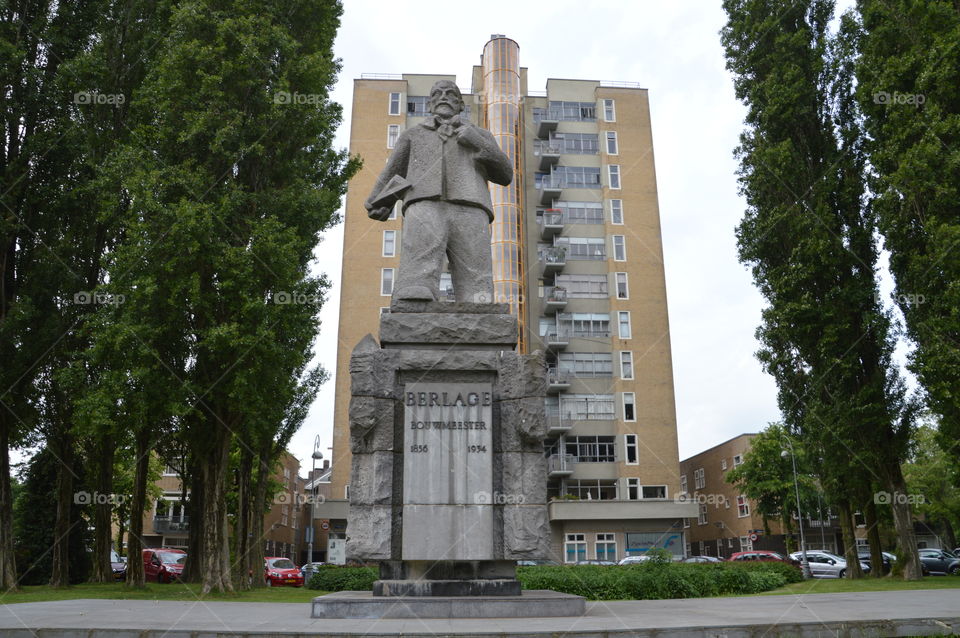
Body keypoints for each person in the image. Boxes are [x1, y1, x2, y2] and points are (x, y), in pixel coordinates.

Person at [365, 80, 512, 303]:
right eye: (437, 94)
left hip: (471, 205)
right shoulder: (412, 135)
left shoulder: (480, 135)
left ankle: (476, 300)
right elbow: (393, 169)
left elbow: (505, 173)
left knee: (474, 267)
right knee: (419, 257)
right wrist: (376, 201)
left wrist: (477, 143)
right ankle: (416, 291)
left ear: (461, 104)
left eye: (450, 94)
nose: (443, 97)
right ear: (430, 103)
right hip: (424, 203)